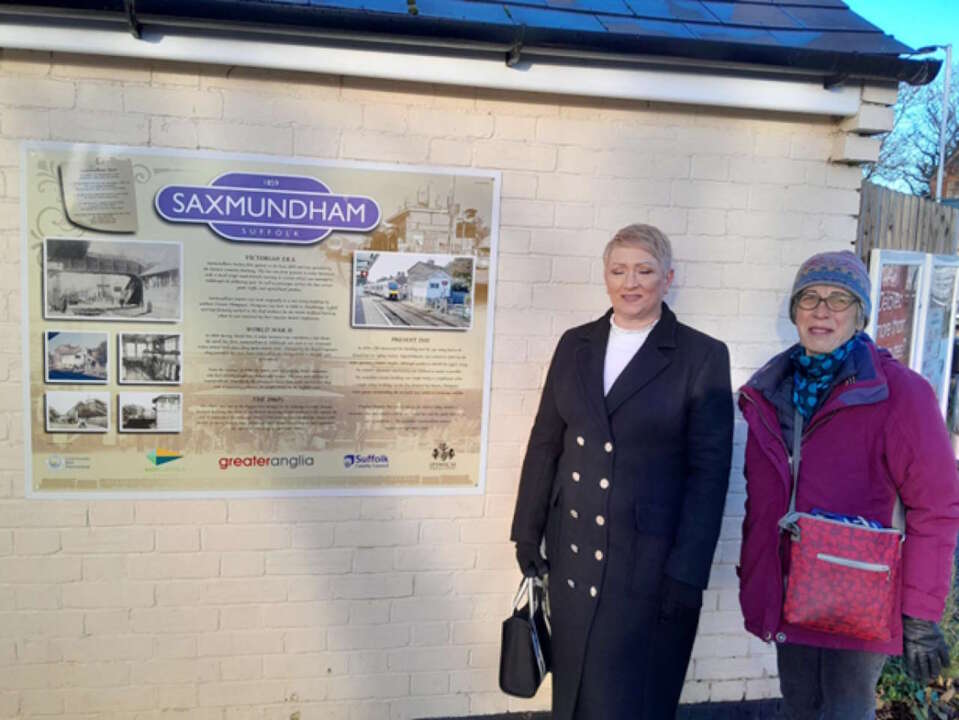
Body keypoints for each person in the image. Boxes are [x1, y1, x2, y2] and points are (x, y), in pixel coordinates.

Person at [510, 224, 734, 720]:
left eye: (644, 270)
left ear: (668, 277)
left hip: (648, 564)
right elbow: (546, 441)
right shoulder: (576, 345)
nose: (630, 282)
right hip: (571, 554)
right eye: (618, 270)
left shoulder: (701, 356)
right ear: (606, 277)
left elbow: (709, 474)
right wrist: (526, 534)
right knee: (572, 696)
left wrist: (687, 574)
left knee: (630, 700)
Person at [738, 250, 959, 720]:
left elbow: (936, 508)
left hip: (860, 592)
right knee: (799, 708)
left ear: (861, 315)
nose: (822, 310)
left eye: (839, 299)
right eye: (810, 298)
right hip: (789, 586)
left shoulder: (900, 393)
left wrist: (920, 612)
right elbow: (762, 501)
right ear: (794, 311)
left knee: (843, 710)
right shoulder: (770, 391)